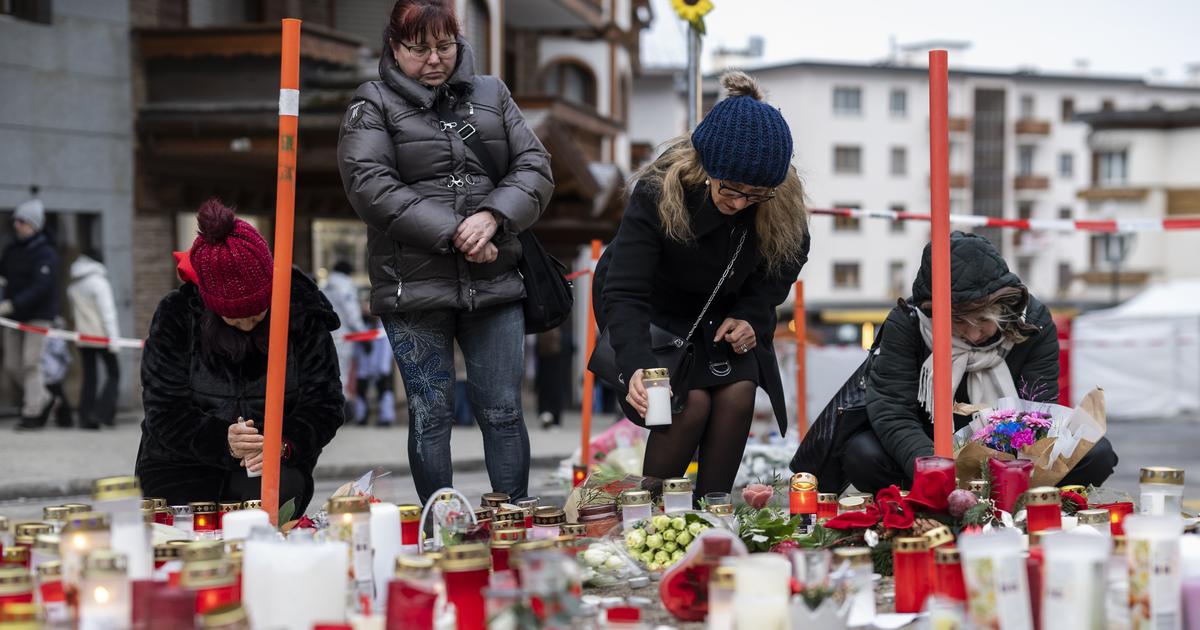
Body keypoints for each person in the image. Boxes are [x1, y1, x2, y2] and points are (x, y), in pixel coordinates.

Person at [337, 0, 553, 504]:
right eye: (419, 49)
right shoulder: (371, 104)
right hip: (412, 286)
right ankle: (441, 525)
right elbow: (370, 184)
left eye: (445, 46)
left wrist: (493, 216)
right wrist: (456, 231)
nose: (434, 59)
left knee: (503, 409)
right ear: (394, 47)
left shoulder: (492, 93)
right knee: (430, 414)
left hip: (495, 277)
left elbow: (535, 166)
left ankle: (510, 520)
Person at [593, 70, 810, 500]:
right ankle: (650, 513)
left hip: (724, 311)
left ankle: (714, 511)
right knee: (686, 403)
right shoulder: (659, 191)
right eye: (731, 189)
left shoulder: (777, 198)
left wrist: (752, 314)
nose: (740, 202)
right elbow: (626, 290)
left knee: (738, 391)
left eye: (755, 194)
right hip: (655, 312)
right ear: (706, 166)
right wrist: (636, 364)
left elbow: (788, 260)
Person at [847, 232, 1119, 493]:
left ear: (1005, 309)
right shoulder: (907, 324)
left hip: (1013, 454)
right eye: (959, 323)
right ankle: (925, 501)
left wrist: (1007, 468)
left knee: (1098, 454)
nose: (973, 334)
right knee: (862, 453)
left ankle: (1029, 499)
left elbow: (1038, 415)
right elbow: (893, 412)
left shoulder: (1033, 324)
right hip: (928, 452)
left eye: (984, 321)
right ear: (937, 314)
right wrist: (938, 470)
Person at [136, 200, 345, 512]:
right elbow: (163, 410)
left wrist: (282, 445)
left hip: (268, 469)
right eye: (233, 318)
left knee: (274, 500)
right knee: (183, 526)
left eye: (257, 314)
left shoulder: (302, 314)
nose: (247, 325)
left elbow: (325, 405)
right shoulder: (177, 316)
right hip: (179, 465)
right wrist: (222, 440)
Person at [1, 198, 61, 430]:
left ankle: (32, 413)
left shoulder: (46, 253)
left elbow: (41, 287)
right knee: (12, 365)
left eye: (22, 221)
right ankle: (45, 398)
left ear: (34, 225)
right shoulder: (11, 249)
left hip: (37, 315)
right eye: (16, 220)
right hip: (13, 317)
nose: (17, 225)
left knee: (30, 363)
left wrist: (11, 305)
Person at [67, 252, 121, 428]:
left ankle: (86, 416)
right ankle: (103, 413)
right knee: (114, 373)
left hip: (83, 337)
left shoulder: (73, 285)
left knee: (90, 377)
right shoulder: (99, 283)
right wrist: (114, 339)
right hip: (101, 336)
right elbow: (108, 313)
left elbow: (72, 313)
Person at [321, 260, 366, 418]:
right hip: (344, 336)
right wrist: (362, 333)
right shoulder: (345, 285)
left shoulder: (325, 285)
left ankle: (326, 410)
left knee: (327, 373)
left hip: (326, 336)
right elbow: (352, 312)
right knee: (343, 374)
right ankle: (340, 413)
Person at [352, 314, 396, 427]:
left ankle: (386, 418)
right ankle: (361, 417)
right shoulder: (363, 327)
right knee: (361, 391)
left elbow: (387, 350)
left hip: (380, 366)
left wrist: (383, 368)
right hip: (364, 366)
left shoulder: (383, 328)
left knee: (384, 391)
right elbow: (356, 349)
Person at [40, 318, 73, 429]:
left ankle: (42, 419)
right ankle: (65, 420)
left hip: (49, 368)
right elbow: (62, 351)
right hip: (52, 368)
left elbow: (59, 349)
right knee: (54, 394)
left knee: (49, 395)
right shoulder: (55, 330)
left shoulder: (53, 330)